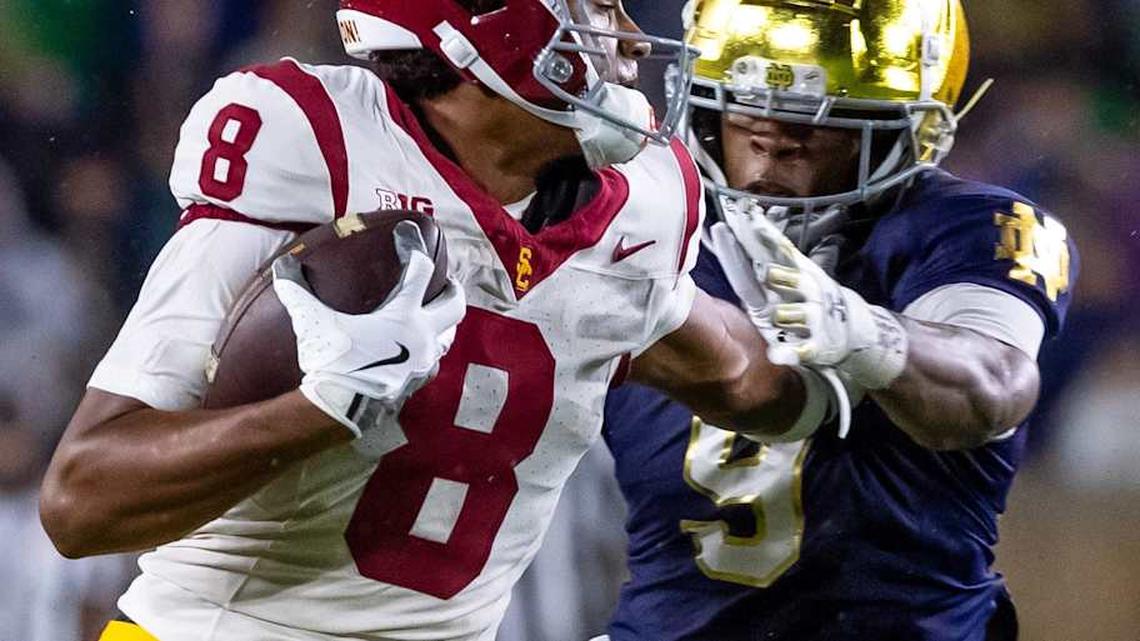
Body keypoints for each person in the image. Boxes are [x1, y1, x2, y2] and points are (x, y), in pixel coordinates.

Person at [38, 1, 843, 640]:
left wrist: (865, 357)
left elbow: (738, 372)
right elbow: (82, 502)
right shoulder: (319, 149)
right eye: (600, 9)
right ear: (491, 24)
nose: (633, 41)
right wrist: (321, 408)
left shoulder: (645, 207)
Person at [602, 1, 1078, 640]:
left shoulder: (967, 229)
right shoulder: (640, 225)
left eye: (812, 123)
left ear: (911, 130)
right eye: (742, 111)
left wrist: (868, 337)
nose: (770, 142)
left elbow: (990, 388)